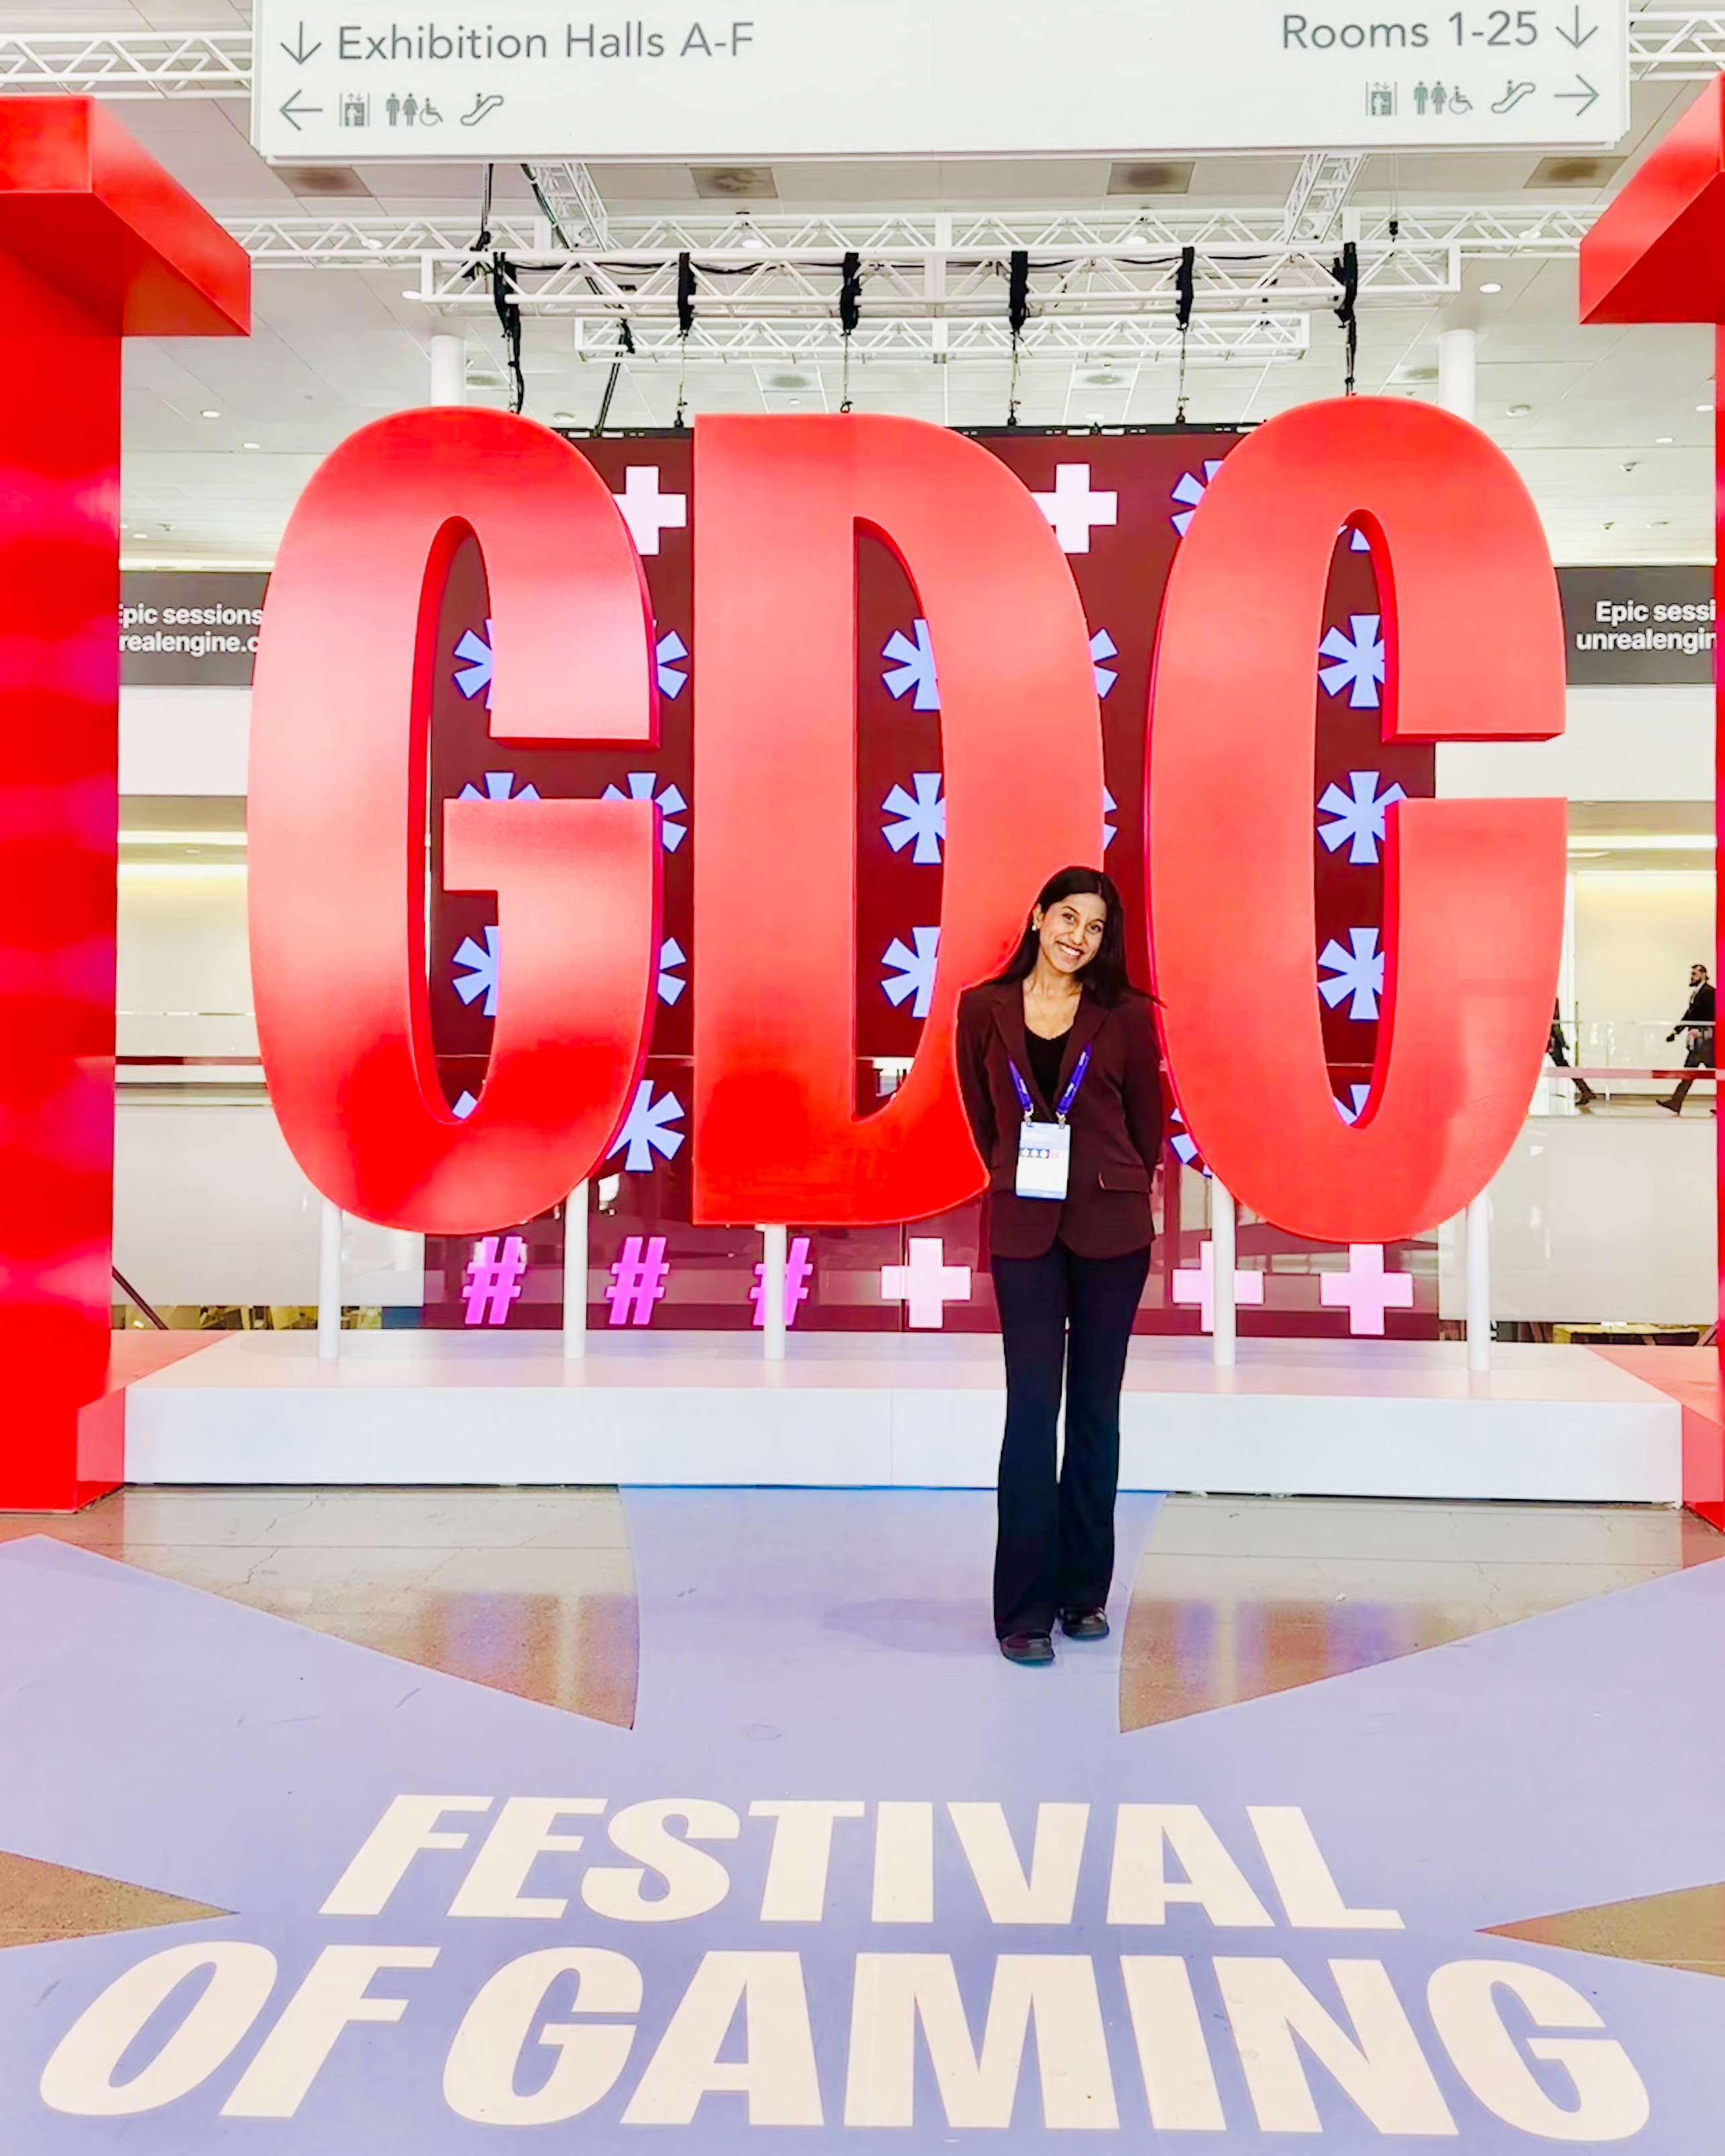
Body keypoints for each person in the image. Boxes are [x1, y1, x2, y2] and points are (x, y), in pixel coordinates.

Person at [956, 868, 1164, 1666]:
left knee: (1095, 1414)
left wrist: (1107, 1182)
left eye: (1095, 928)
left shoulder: (1126, 1017)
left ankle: (1083, 1595)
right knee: (1030, 1412)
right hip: (1022, 1230)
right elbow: (985, 1121)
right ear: (1038, 916)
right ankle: (1022, 1612)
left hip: (1112, 1232)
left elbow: (1147, 1130)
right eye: (1067, 917)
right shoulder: (983, 1009)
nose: (1077, 936)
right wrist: (1022, 1178)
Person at [1658, 962, 1715, 1115]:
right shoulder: (1698, 993)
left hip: (1705, 1040)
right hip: (1701, 1040)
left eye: (1695, 974)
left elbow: (1694, 1015)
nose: (1692, 977)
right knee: (1695, 1071)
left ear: (1703, 974)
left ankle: (1676, 1101)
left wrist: (1678, 1032)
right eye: (1692, 974)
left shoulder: (1709, 992)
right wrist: (1676, 1032)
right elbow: (1689, 1015)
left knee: (1697, 1071)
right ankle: (1676, 1102)